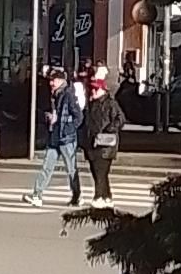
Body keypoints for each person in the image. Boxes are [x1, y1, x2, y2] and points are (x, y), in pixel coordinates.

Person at [28, 66, 82, 206]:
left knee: (71, 168)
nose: (51, 83)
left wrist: (68, 128)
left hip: (66, 137)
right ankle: (37, 194)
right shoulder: (54, 95)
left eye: (54, 80)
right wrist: (50, 118)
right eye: (51, 80)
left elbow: (78, 116)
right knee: (47, 166)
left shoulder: (68, 95)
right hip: (54, 136)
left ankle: (77, 196)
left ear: (61, 81)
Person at [78, 64, 124, 204]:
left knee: (100, 172)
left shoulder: (110, 103)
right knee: (97, 172)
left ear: (103, 90)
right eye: (92, 89)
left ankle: (98, 197)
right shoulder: (90, 105)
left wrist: (110, 129)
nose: (93, 91)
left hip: (106, 145)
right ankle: (106, 196)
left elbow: (120, 119)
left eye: (96, 89)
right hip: (92, 143)